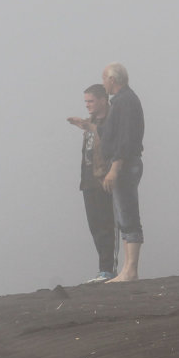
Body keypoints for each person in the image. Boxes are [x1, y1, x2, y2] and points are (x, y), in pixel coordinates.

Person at [67, 84, 118, 282]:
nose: (87, 105)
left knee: (106, 225)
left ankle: (108, 269)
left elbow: (113, 141)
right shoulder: (92, 121)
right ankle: (103, 270)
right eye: (85, 101)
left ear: (103, 100)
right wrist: (84, 125)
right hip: (88, 180)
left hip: (102, 179)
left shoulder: (111, 119)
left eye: (91, 101)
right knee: (95, 226)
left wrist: (111, 173)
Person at [99, 62, 145, 283]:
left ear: (112, 80)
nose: (103, 84)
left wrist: (115, 168)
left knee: (128, 215)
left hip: (125, 166)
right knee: (124, 215)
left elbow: (125, 139)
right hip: (125, 164)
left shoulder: (125, 101)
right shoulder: (122, 100)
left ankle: (131, 270)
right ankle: (127, 269)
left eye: (104, 79)